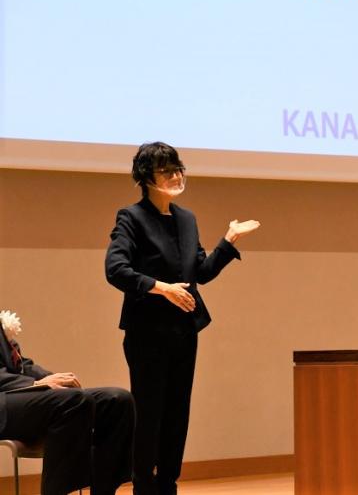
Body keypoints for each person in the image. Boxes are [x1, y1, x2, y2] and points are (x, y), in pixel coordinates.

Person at [105, 142, 260, 495]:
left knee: (178, 415)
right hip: (147, 332)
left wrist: (229, 240)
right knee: (150, 416)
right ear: (145, 177)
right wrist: (162, 288)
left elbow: (200, 272)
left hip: (184, 331)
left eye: (178, 169)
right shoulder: (131, 218)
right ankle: (143, 487)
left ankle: (168, 485)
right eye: (166, 170)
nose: (176, 176)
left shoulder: (187, 219)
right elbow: (115, 269)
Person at [0, 313, 134, 495]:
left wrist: (49, 378)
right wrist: (35, 384)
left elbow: (20, 365)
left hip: (15, 396)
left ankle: (104, 490)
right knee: (73, 401)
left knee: (117, 400)